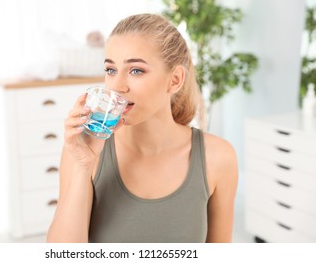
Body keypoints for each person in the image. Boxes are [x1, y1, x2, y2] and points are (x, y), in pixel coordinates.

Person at [47, 13, 238, 243]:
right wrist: (81, 166)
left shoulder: (218, 158)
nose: (116, 86)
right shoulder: (85, 151)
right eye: (110, 70)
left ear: (175, 80)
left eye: (136, 70)